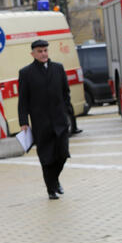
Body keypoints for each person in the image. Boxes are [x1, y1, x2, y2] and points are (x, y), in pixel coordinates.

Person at [18, 39, 74, 200]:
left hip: (60, 121)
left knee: (62, 154)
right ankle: (51, 189)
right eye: (40, 51)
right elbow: (23, 100)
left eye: (45, 50)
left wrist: (66, 111)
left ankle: (55, 180)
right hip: (41, 123)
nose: (43, 54)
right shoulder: (26, 73)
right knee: (46, 158)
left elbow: (66, 92)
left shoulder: (58, 68)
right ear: (33, 54)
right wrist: (23, 122)